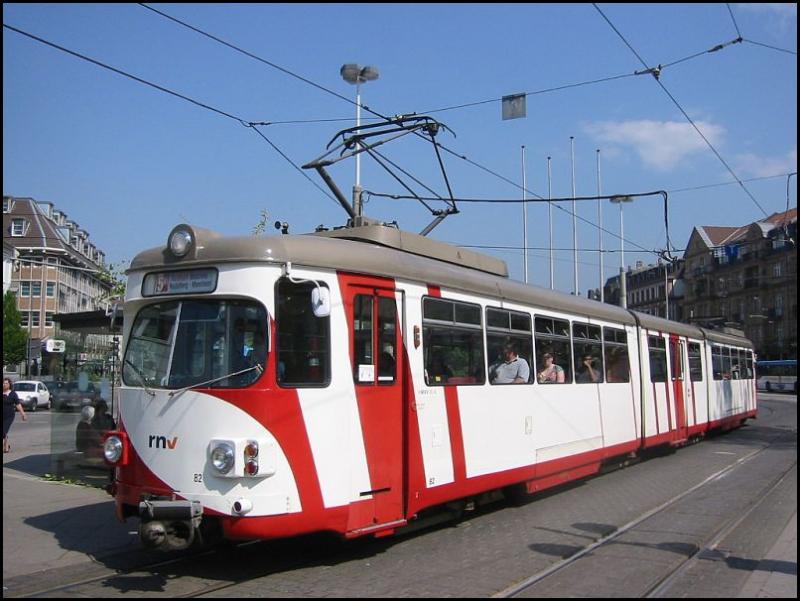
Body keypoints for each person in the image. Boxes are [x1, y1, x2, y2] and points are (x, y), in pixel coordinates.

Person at [3, 378, 27, 453]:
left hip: (9, 416)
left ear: (9, 384)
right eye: (3, 383)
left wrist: (23, 413)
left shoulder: (13, 394)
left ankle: (5, 445)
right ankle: (6, 445)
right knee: (4, 432)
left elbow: (18, 405)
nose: (4, 384)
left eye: (6, 383)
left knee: (4, 431)